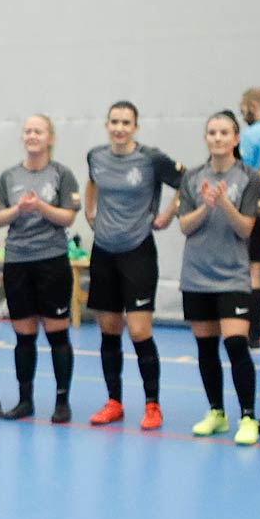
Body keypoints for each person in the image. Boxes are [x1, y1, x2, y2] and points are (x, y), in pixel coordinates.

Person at [81, 101, 184, 430]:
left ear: (136, 127)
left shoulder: (152, 159)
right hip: (103, 253)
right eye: (114, 121)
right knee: (108, 330)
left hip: (138, 252)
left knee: (139, 331)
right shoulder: (95, 156)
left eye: (126, 122)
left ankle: (153, 404)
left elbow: (187, 183)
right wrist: (90, 213)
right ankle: (114, 401)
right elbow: (92, 182)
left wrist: (167, 215)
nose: (120, 128)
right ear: (107, 124)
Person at [172, 111, 260, 444]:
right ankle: (216, 412)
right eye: (212, 132)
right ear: (206, 137)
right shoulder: (193, 177)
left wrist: (224, 202)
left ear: (235, 138)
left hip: (232, 275)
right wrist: (205, 205)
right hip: (197, 274)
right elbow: (184, 224)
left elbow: (246, 229)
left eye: (224, 132)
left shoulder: (249, 177)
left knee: (236, 344)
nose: (217, 138)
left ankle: (247, 417)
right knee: (205, 347)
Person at [0, 115, 81, 423]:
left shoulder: (61, 174)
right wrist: (19, 209)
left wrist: (40, 206)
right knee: (23, 335)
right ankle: (25, 400)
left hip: (51, 260)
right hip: (17, 260)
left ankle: (62, 402)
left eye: (38, 131)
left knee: (57, 333)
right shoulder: (8, 176)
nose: (32, 135)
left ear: (50, 138)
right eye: (28, 131)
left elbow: (68, 217)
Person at [238, 88, 260, 348]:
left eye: (243, 111)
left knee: (254, 275)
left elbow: (244, 176)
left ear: (252, 105)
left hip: (258, 209)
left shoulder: (249, 135)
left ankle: (253, 336)